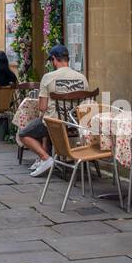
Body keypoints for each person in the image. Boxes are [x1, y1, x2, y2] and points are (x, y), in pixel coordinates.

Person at [17, 44, 90, 177]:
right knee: (42, 123)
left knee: (24, 134)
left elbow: (42, 107)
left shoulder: (48, 77)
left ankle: (45, 158)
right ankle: (44, 157)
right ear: (67, 59)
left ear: (55, 59)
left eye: (52, 60)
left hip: (55, 123)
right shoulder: (82, 77)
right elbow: (85, 104)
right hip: (75, 123)